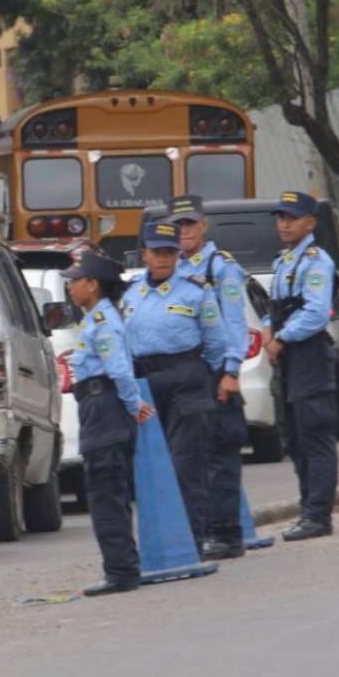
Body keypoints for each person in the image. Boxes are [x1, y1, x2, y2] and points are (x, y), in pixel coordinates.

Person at [121, 221, 228, 552]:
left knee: (187, 464)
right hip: (145, 383)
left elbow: (217, 344)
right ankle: (161, 540)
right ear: (145, 254)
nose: (163, 259)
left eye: (170, 252)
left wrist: (200, 377)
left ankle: (193, 538)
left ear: (178, 255)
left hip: (186, 378)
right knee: (151, 465)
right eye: (157, 252)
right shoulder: (132, 293)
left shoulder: (196, 291)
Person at [62, 251, 155, 596]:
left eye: (76, 280)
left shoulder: (103, 323)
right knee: (107, 490)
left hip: (105, 408)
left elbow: (118, 369)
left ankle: (120, 571)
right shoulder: (95, 319)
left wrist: (134, 405)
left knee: (105, 492)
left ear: (93, 285)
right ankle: (122, 566)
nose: (70, 287)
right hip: (97, 407)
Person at [170, 194, 250, 560]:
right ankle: (205, 530)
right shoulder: (175, 267)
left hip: (217, 369)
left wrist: (231, 371)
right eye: (178, 225)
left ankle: (228, 534)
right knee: (194, 455)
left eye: (189, 224)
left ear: (203, 225)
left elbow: (234, 321)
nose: (183, 231)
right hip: (190, 372)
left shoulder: (221, 266)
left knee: (221, 453)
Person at [264, 191, 338, 541]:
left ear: (310, 222)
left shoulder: (316, 260)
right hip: (288, 356)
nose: (284, 224)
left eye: (291, 218)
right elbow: (275, 305)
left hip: (308, 353)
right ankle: (307, 506)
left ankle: (318, 515)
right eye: (280, 218)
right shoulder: (283, 261)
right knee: (292, 436)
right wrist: (268, 329)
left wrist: (283, 338)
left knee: (314, 435)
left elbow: (316, 311)